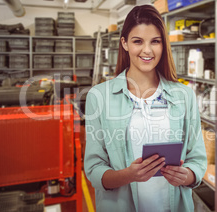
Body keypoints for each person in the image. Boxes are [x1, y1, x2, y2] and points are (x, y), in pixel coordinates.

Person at [84, 4, 207, 212]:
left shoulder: (183, 95)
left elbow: (197, 158)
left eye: (155, 41)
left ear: (163, 45)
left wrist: (186, 176)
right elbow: (94, 168)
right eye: (138, 41)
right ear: (124, 43)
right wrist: (128, 175)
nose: (147, 50)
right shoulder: (99, 96)